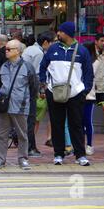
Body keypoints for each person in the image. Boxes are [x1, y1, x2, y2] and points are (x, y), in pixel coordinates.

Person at [39, 22, 94, 166]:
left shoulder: (82, 51)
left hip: (76, 94)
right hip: (54, 92)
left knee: (76, 125)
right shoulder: (52, 49)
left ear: (67, 33)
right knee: (57, 124)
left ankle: (80, 155)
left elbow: (89, 72)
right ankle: (58, 154)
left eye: (60, 32)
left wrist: (85, 90)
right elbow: (42, 67)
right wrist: (45, 85)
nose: (58, 34)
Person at [0, 40, 38, 170]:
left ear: (18, 51)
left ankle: (22, 158)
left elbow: (34, 86)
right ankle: (0, 159)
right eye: (6, 49)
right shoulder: (3, 66)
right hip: (5, 106)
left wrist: (27, 100)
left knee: (22, 134)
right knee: (0, 134)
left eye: (9, 49)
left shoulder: (28, 67)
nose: (6, 51)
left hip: (21, 105)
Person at [22, 31, 56, 157]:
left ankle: (29, 146)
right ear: (46, 42)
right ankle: (30, 147)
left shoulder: (30, 49)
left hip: (25, 88)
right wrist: (41, 91)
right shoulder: (39, 53)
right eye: (53, 42)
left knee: (30, 119)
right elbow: (36, 74)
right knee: (31, 119)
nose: (54, 44)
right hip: (30, 89)